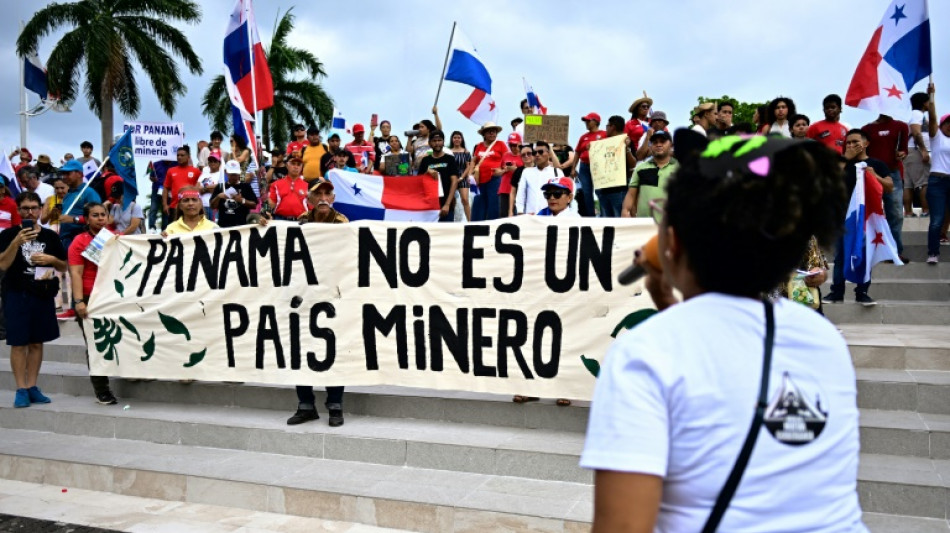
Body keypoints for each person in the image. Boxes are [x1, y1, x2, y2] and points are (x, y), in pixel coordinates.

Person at [581, 132, 866, 532]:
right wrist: (668, 303)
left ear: (675, 242)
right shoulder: (824, 340)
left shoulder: (644, 354)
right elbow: (722, 347)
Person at [275, 180, 348, 427]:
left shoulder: (342, 223)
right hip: (304, 296)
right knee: (301, 347)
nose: (323, 198)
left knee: (333, 349)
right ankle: (305, 405)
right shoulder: (300, 221)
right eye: (318, 194)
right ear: (310, 199)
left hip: (332, 296)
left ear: (333, 198)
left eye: (328, 193)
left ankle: (335, 404)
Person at [0, 191, 68, 407]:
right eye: (25, 208)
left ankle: (32, 386)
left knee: (37, 342)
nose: (30, 212)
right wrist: (16, 243)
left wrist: (51, 259)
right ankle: (20, 389)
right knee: (18, 343)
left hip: (42, 292)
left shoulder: (50, 236)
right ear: (18, 211)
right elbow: (2, 264)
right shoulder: (8, 234)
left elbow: (64, 266)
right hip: (16, 293)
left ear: (40, 209)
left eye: (33, 208)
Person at [824, 129, 894, 305]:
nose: (851, 145)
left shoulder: (876, 164)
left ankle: (862, 292)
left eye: (855, 142)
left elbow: (889, 187)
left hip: (866, 217)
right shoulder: (841, 163)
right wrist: (845, 159)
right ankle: (836, 292)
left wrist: (874, 175)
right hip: (843, 216)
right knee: (841, 256)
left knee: (864, 254)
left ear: (866, 143)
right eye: (848, 143)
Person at [68, 202, 118, 405]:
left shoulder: (116, 238)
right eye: (95, 215)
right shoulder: (79, 241)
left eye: (103, 214)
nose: (100, 218)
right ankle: (101, 390)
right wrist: (79, 301)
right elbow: (76, 273)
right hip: (90, 298)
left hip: (113, 296)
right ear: (87, 219)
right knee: (95, 344)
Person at [862, 114, 909, 261]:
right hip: (871, 172)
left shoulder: (901, 126)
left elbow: (904, 149)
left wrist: (902, 154)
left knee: (896, 214)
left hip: (893, 173)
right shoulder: (867, 128)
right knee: (869, 213)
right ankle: (868, 250)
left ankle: (894, 251)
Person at [622, 130, 678, 218]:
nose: (658, 145)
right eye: (655, 142)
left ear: (671, 145)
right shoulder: (640, 168)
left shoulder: (681, 169)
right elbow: (631, 194)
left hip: (672, 222)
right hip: (645, 223)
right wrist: (625, 210)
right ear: (650, 146)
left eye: (662, 141)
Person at [924, 83, 950, 265]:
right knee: (936, 220)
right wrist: (931, 96)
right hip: (937, 182)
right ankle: (933, 252)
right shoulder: (936, 137)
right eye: (948, 123)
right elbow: (932, 117)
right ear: (941, 125)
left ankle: (943, 235)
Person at [57, 159, 101, 249]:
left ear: (79, 174)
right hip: (65, 240)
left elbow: (98, 218)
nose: (64, 176)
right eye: (63, 174)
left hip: (80, 239)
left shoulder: (89, 192)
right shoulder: (68, 194)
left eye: (68, 173)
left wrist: (74, 219)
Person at [598, 116, 637, 217]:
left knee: (619, 221)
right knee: (606, 223)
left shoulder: (627, 141)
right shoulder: (603, 144)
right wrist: (593, 149)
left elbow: (633, 164)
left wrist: (627, 148)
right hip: (604, 188)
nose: (606, 129)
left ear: (613, 127)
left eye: (607, 126)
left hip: (619, 190)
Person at [417, 130, 460, 222]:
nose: (437, 143)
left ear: (443, 142)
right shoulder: (425, 160)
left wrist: (447, 204)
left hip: (446, 206)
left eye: (439, 140)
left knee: (447, 230)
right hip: (429, 207)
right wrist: (426, 172)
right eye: (434, 141)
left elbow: (454, 181)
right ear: (429, 143)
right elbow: (418, 182)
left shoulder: (450, 159)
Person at [470, 122, 509, 221]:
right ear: (484, 134)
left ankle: (493, 226)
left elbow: (507, 160)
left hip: (494, 179)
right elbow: (473, 161)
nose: (492, 133)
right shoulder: (479, 146)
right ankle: (477, 226)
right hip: (479, 181)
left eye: (494, 131)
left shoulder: (501, 144)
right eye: (489, 131)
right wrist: (470, 175)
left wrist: (502, 171)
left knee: (494, 206)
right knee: (479, 206)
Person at [572, 113, 607, 217]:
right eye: (585, 121)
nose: (586, 123)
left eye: (588, 121)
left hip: (599, 166)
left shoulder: (604, 134)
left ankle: (604, 215)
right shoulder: (583, 137)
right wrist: (573, 168)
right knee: (586, 193)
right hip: (584, 167)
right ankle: (590, 216)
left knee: (600, 191)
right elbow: (577, 152)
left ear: (596, 121)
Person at [516, 141, 563, 215]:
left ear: (548, 154)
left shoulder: (557, 172)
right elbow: (521, 194)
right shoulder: (527, 172)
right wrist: (520, 212)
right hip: (530, 216)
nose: (537, 155)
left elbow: (563, 196)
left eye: (540, 152)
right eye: (535, 153)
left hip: (551, 217)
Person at [905, 91, 932, 217]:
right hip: (916, 151)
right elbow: (916, 132)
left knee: (908, 184)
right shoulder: (917, 114)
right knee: (923, 182)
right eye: (928, 101)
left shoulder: (911, 115)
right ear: (924, 103)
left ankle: (908, 212)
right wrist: (923, 150)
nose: (930, 104)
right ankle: (926, 211)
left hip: (909, 151)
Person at [212, 160, 258, 227]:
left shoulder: (245, 186)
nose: (233, 177)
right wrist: (218, 197)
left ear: (239, 173)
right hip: (223, 226)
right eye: (231, 174)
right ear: (226, 172)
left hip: (241, 226)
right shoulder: (220, 187)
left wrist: (242, 200)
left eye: (235, 174)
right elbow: (212, 206)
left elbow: (254, 205)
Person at [162, 146, 200, 223]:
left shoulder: (196, 171)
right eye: (178, 155)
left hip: (190, 207)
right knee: (173, 229)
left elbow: (200, 187)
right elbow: (165, 188)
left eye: (182, 155)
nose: (179, 157)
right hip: (174, 206)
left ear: (188, 157)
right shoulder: (171, 171)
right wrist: (165, 205)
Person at [267, 156, 310, 221]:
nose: (296, 167)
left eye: (298, 165)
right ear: (287, 166)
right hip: (280, 220)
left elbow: (311, 207)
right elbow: (271, 204)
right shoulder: (276, 184)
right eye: (293, 164)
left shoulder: (307, 186)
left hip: (301, 221)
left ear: (302, 167)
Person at [497, 133, 525, 218]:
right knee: (503, 215)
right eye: (511, 145)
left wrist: (516, 170)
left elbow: (527, 172)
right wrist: (504, 170)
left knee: (518, 214)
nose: (513, 147)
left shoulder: (524, 156)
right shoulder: (505, 155)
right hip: (505, 189)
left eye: (515, 145)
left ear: (520, 144)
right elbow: (497, 171)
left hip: (518, 189)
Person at [449, 131, 473, 221]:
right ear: (452, 139)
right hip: (451, 177)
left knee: (465, 200)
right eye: (455, 137)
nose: (457, 139)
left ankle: (470, 221)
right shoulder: (448, 152)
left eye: (458, 138)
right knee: (452, 201)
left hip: (463, 177)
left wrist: (462, 177)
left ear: (461, 139)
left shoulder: (466, 152)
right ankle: (453, 220)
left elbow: (468, 166)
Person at [508, 144, 535, 216]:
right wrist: (510, 211)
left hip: (536, 205)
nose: (526, 156)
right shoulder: (518, 171)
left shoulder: (540, 169)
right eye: (523, 155)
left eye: (529, 153)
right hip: (521, 207)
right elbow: (512, 192)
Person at [198, 153, 224, 219]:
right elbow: (197, 189)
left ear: (219, 163)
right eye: (210, 161)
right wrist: (209, 188)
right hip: (202, 206)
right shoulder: (203, 175)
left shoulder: (222, 175)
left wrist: (204, 188)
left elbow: (220, 188)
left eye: (215, 161)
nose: (212, 163)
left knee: (214, 225)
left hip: (215, 206)